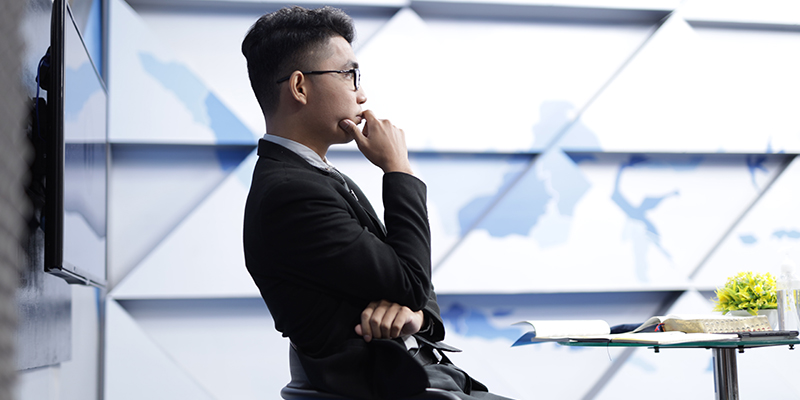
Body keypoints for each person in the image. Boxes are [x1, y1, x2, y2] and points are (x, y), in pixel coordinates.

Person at [241, 6, 513, 400]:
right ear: (300, 87)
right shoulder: (291, 193)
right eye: (349, 75)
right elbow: (411, 281)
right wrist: (398, 169)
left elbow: (414, 285)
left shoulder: (317, 179)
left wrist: (415, 315)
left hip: (421, 382)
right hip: (396, 390)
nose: (362, 94)